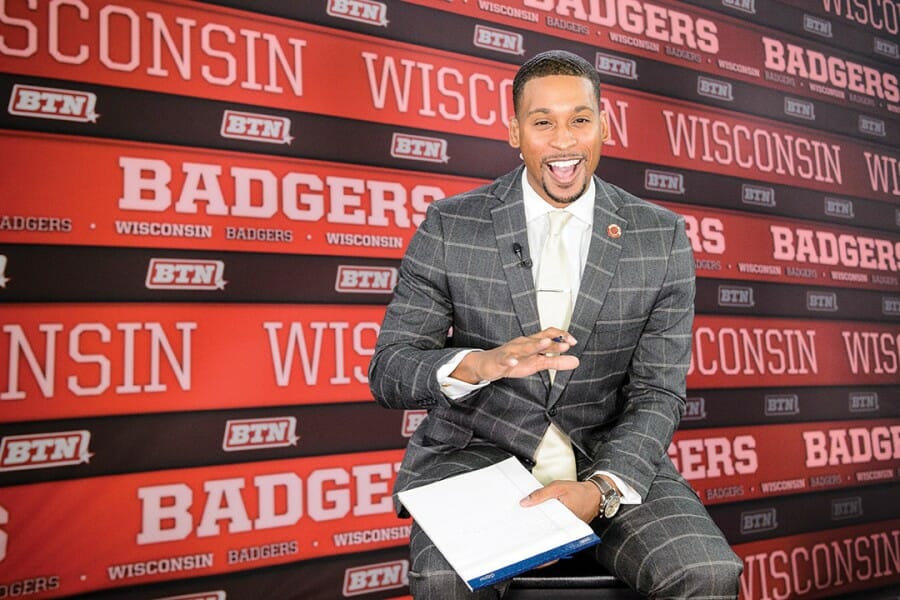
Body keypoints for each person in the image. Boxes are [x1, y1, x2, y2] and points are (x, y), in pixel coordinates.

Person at [368, 49, 743, 599]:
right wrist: (482, 363)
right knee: (445, 581)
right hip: (476, 454)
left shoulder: (659, 236)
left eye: (580, 120)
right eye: (543, 122)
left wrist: (602, 488)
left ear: (604, 127)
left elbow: (658, 392)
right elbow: (390, 370)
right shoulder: (451, 226)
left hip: (606, 450)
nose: (564, 141)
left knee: (708, 573)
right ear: (515, 132)